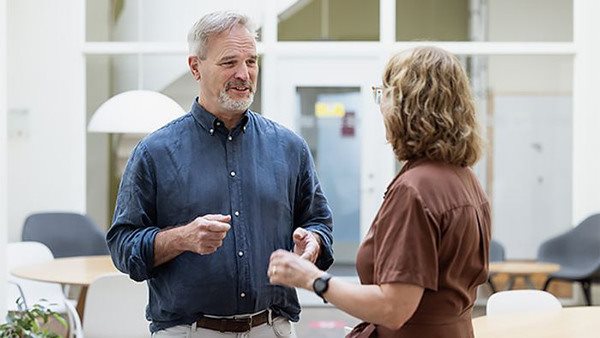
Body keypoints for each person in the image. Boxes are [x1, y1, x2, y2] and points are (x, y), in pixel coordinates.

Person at [106, 11, 334, 338]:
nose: (244, 74)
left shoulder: (289, 147)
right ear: (195, 67)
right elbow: (123, 247)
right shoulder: (154, 152)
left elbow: (319, 224)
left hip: (272, 327)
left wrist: (313, 243)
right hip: (190, 331)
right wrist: (181, 238)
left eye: (251, 61)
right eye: (229, 62)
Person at [268, 46, 491, 338]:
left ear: (408, 105)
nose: (381, 106)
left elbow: (394, 308)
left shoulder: (416, 189)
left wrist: (313, 279)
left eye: (384, 94)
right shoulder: (464, 179)